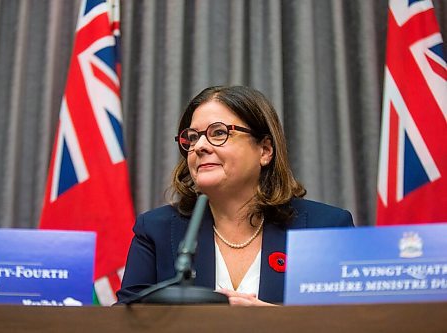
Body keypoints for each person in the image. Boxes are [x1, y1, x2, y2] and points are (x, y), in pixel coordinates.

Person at [116, 85, 354, 306]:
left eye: (218, 133)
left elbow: (355, 322)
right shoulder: (156, 230)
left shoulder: (325, 227)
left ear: (265, 150)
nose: (199, 146)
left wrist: (278, 321)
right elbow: (126, 320)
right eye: (192, 137)